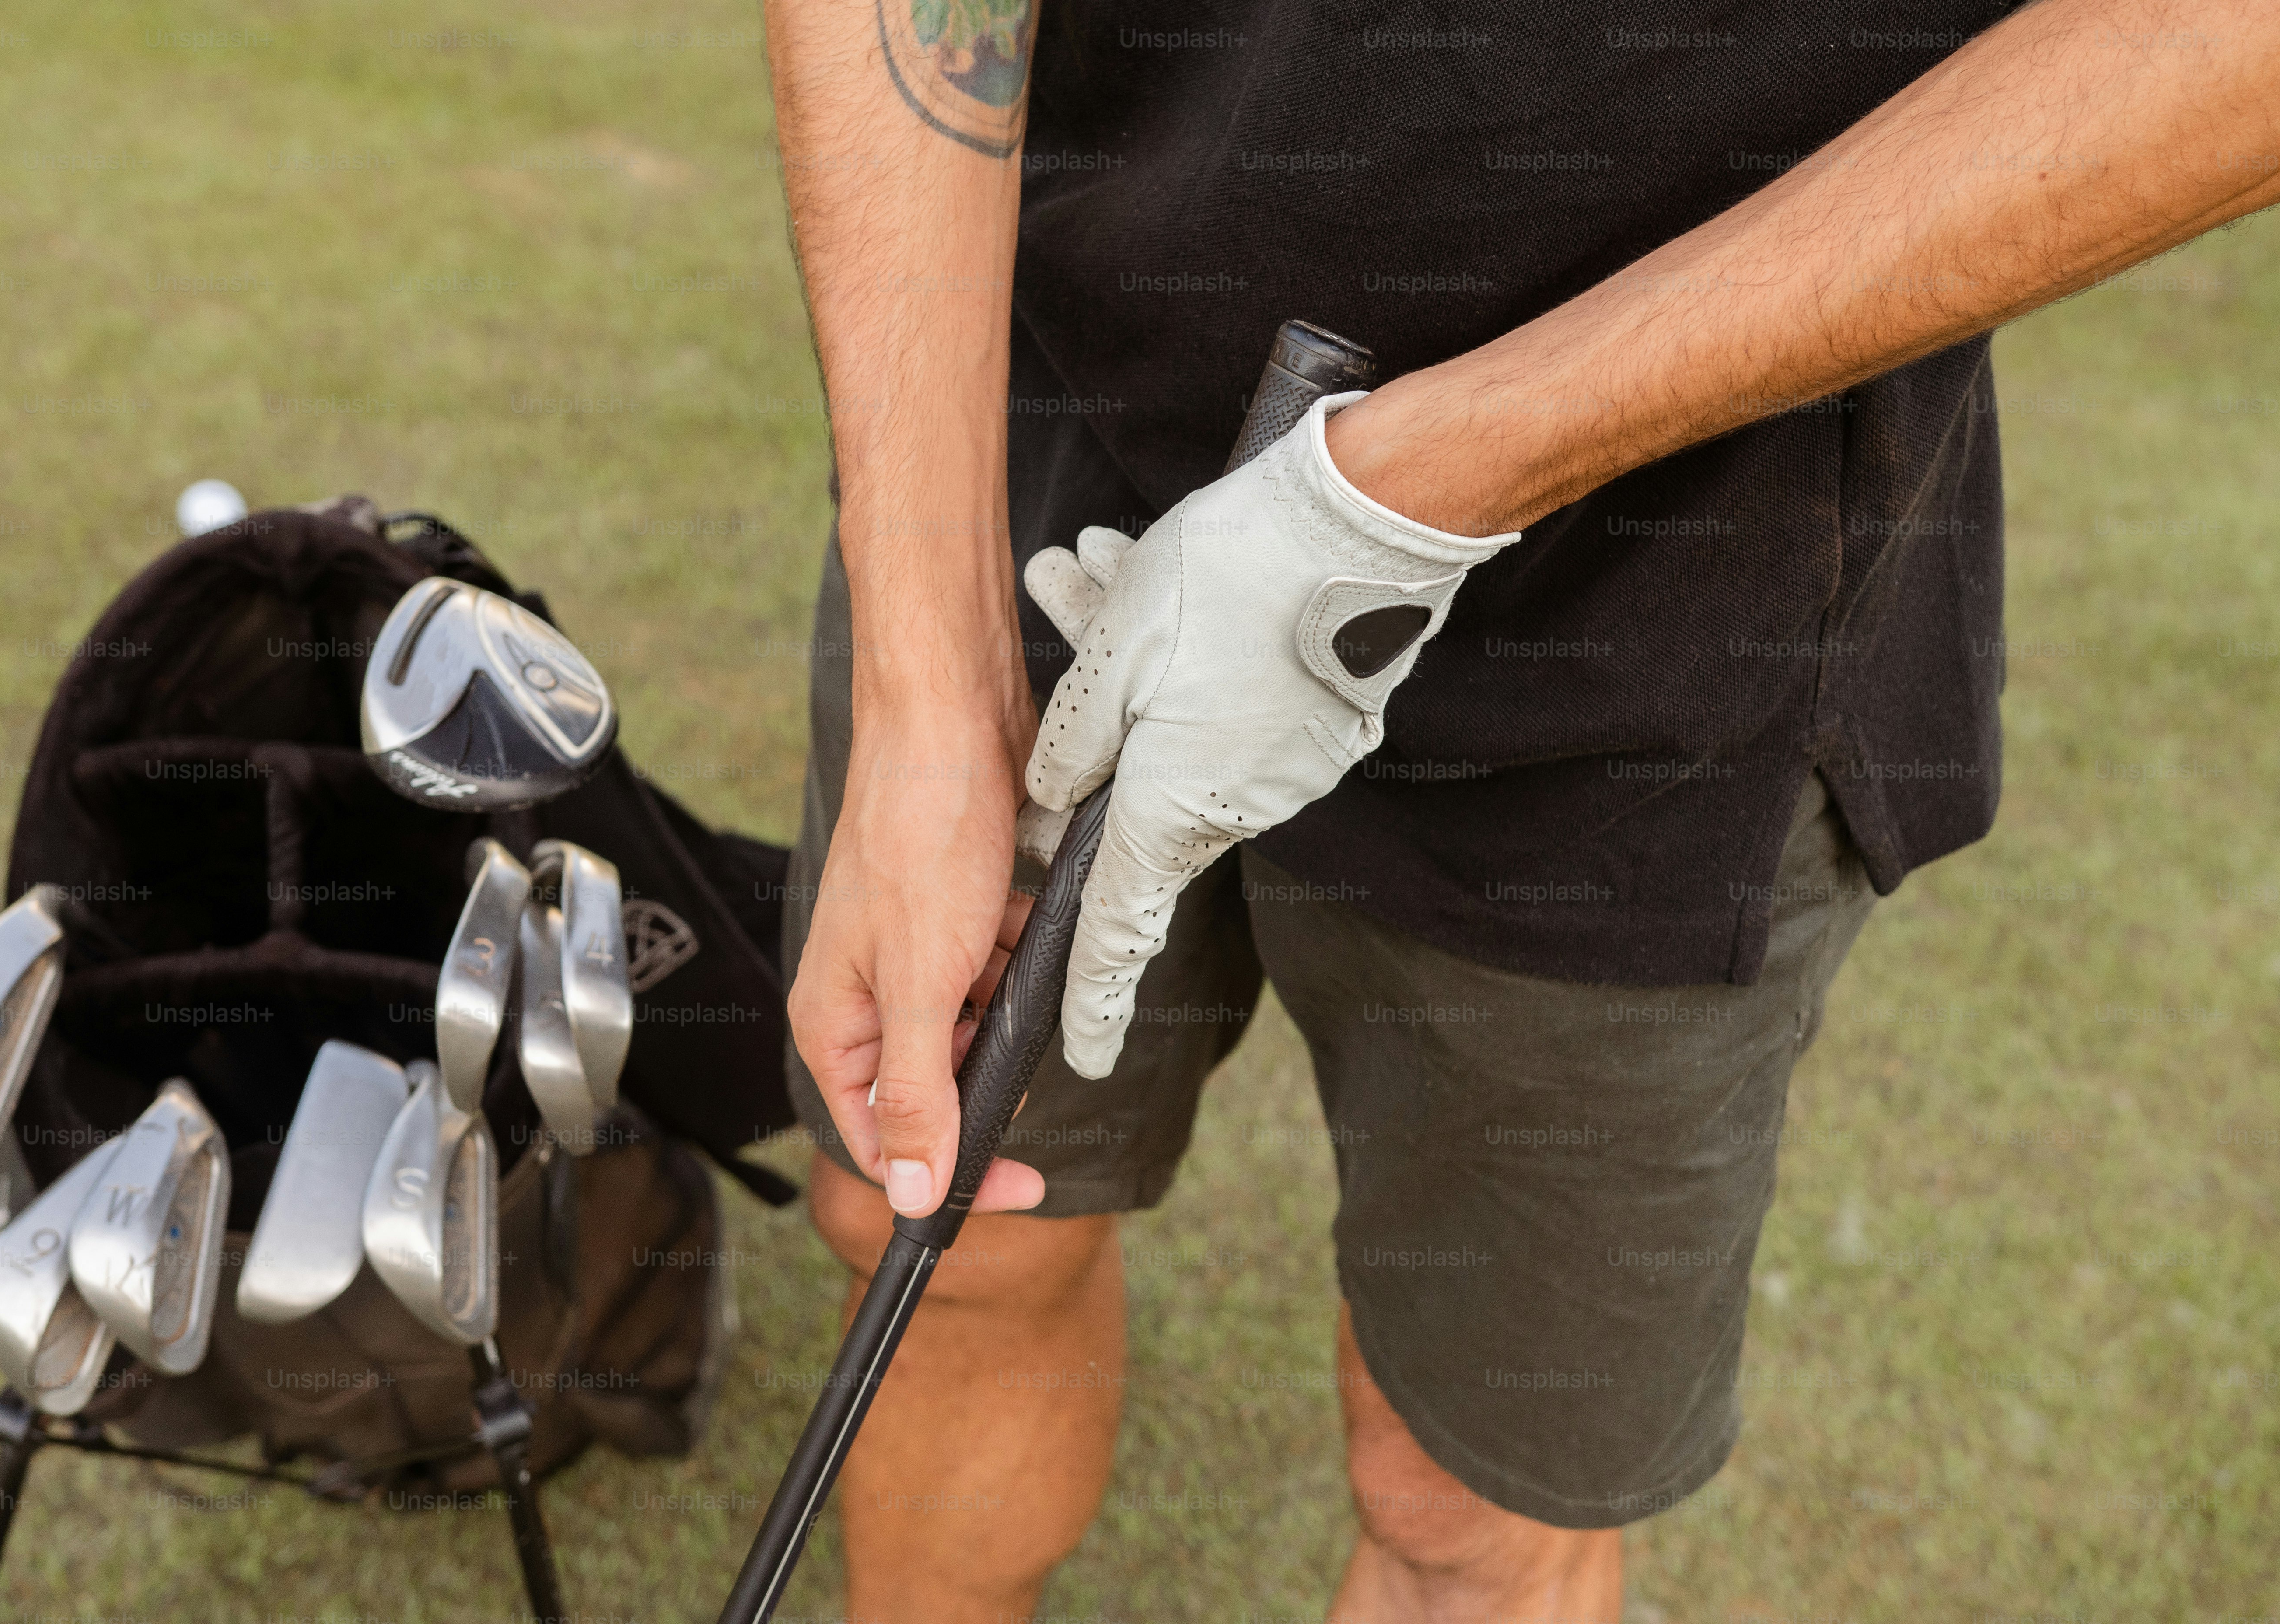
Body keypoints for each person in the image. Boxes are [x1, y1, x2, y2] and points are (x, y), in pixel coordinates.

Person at [763, 0, 2280, 1617]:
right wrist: (928, 687)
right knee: (933, 1223)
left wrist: (1396, 495)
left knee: (1465, 1501)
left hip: (1683, 560)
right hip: (1045, 391)